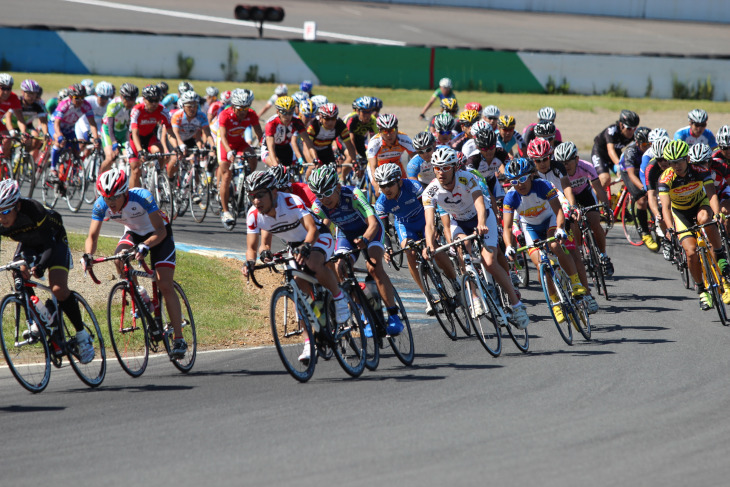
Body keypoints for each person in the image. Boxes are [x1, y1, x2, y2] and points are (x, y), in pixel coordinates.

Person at [242, 170, 347, 364]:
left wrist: (307, 246)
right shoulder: (254, 215)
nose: (256, 201)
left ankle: (339, 299)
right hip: (294, 246)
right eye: (252, 196)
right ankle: (310, 342)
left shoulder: (290, 201)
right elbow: (252, 247)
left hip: (316, 237)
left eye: (260, 195)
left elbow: (313, 229)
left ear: (273, 192)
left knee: (314, 263)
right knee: (298, 289)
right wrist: (250, 262)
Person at [84, 168, 187, 358]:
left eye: (114, 197)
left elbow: (160, 231)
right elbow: (92, 236)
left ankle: (179, 339)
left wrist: (146, 246)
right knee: (119, 258)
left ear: (125, 192)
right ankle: (140, 295)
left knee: (163, 283)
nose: (110, 203)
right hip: (133, 233)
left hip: (158, 235)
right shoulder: (101, 205)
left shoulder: (141, 197)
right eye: (107, 198)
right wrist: (88, 255)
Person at [423, 146, 530, 328]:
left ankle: (516, 304)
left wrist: (481, 223)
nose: (441, 172)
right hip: (459, 222)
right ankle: (474, 298)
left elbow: (480, 204)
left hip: (482, 217)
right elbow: (430, 224)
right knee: (461, 252)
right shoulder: (429, 192)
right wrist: (429, 245)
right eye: (437, 168)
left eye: (446, 167)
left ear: (455, 167)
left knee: (489, 261)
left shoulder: (467, 178)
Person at [0, 179, 94, 363]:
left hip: (54, 241)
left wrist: (41, 266)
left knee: (58, 289)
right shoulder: (1, 221)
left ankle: (82, 336)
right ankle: (38, 320)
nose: (2, 218)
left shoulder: (33, 210)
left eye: (5, 211)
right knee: (18, 272)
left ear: (17, 206)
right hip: (29, 243)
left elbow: (49, 246)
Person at [308, 164, 404, 336]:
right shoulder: (318, 207)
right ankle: (364, 313)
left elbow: (374, 222)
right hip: (346, 235)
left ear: (337, 187)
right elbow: (322, 231)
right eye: (319, 195)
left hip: (370, 231)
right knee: (340, 269)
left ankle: (393, 315)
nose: (325, 199)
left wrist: (366, 239)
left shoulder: (352, 194)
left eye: (328, 193)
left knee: (373, 267)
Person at [502, 157, 589, 324]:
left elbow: (558, 212)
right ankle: (555, 301)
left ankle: (575, 281)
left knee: (555, 245)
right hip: (531, 228)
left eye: (522, 179)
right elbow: (506, 227)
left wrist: (561, 229)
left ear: (531, 176)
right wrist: (508, 246)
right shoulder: (511, 197)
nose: (519, 184)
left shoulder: (542, 186)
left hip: (550, 220)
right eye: (514, 181)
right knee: (541, 263)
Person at [373, 163, 458, 315]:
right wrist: (387, 247)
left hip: (423, 218)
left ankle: (455, 282)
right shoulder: (381, 202)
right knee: (410, 254)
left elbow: (430, 208)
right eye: (383, 185)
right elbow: (383, 229)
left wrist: (435, 228)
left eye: (390, 184)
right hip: (405, 225)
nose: (386, 189)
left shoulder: (413, 186)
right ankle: (427, 295)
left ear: (399, 181)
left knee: (435, 248)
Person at [659, 140, 730, 309]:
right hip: (680, 214)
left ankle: (720, 255)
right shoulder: (665, 179)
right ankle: (701, 290)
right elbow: (666, 208)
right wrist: (670, 229)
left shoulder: (700, 171)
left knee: (706, 219)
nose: (676, 165)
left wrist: (718, 214)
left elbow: (712, 195)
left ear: (688, 159)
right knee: (690, 253)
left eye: (679, 161)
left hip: (700, 205)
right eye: (672, 162)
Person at [555, 140, 612, 304]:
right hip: (567, 199)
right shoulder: (558, 173)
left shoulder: (586, 166)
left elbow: (598, 189)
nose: (565, 165)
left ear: (577, 159)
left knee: (595, 222)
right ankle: (579, 249)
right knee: (574, 225)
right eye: (562, 163)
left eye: (568, 162)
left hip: (585, 195)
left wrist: (606, 208)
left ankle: (603, 255)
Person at [217, 88, 264, 227]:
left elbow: (259, 133)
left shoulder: (251, 114)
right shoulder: (225, 115)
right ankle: (225, 211)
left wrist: (264, 146)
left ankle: (246, 178)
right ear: (233, 106)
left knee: (253, 157)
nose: (243, 112)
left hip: (240, 142)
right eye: (240, 109)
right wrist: (229, 151)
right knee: (226, 175)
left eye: (246, 108)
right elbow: (223, 136)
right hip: (225, 144)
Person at [618, 126, 658, 250]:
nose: (648, 147)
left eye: (650, 144)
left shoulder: (652, 150)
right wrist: (644, 187)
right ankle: (645, 233)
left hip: (643, 170)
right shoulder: (631, 151)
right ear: (637, 143)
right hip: (629, 172)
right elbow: (631, 174)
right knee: (641, 200)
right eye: (645, 144)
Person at [128, 84, 175, 189]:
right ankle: (131, 196)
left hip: (149, 137)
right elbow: (134, 133)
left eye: (157, 100)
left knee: (160, 152)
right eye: (151, 100)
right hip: (136, 139)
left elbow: (170, 133)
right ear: (144, 99)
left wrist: (177, 148)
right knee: (135, 169)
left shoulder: (163, 110)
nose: (154, 103)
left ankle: (158, 177)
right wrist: (140, 151)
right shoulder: (137, 110)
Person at [50, 83, 99, 180]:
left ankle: (72, 173)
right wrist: (59, 135)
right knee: (58, 141)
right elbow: (56, 123)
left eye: (82, 97)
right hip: (55, 125)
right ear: (70, 97)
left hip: (69, 128)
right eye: (77, 98)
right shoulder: (64, 104)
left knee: (77, 150)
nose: (80, 100)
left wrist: (96, 137)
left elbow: (92, 124)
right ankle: (52, 168)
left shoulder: (86, 105)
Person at [306, 103, 357, 181]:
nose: (330, 122)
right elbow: (307, 146)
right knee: (312, 167)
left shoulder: (340, 125)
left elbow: (349, 145)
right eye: (327, 119)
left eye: (333, 118)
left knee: (332, 173)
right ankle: (307, 185)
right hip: (311, 149)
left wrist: (354, 161)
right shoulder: (313, 125)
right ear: (320, 118)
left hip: (326, 149)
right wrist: (314, 160)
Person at [366, 113, 414, 195]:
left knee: (407, 189)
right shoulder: (374, 142)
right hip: (378, 168)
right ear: (379, 131)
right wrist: (377, 183)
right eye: (385, 131)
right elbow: (373, 167)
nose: (389, 135)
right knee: (379, 191)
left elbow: (415, 158)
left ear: (396, 129)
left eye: (391, 130)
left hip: (396, 166)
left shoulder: (404, 138)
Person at [591, 109, 639, 189]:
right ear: (621, 125)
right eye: (629, 128)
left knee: (628, 178)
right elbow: (611, 150)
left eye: (634, 128)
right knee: (605, 179)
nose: (632, 131)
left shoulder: (633, 133)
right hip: (600, 153)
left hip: (615, 154)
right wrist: (618, 164)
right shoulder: (612, 130)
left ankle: (621, 200)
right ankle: (594, 200)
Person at [100, 83, 138, 173]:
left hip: (122, 133)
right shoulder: (113, 105)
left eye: (133, 99)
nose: (130, 102)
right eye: (128, 99)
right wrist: (114, 142)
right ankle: (99, 180)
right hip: (108, 132)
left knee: (131, 160)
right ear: (121, 97)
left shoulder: (135, 105)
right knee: (110, 158)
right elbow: (110, 126)